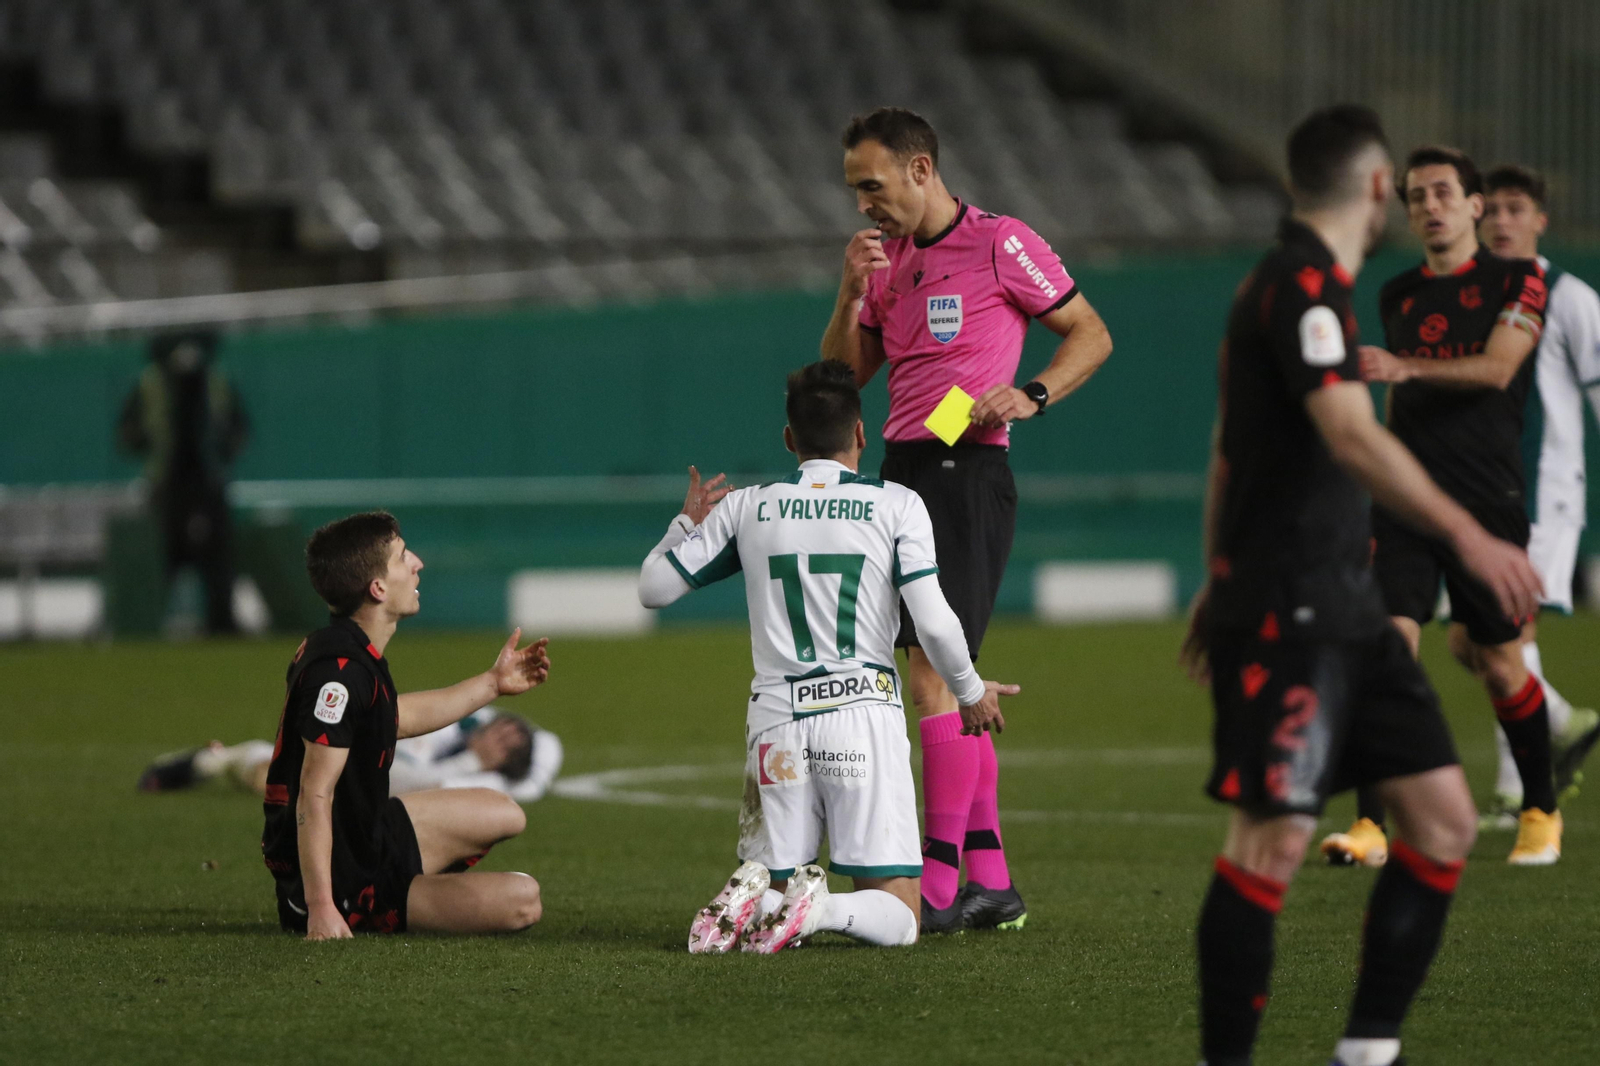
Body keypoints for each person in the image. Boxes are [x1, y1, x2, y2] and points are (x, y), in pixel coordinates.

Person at [1182, 105, 1542, 1066]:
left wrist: (1210, 580)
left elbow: (1228, 455)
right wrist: (1468, 532)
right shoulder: (1299, 285)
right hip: (1293, 606)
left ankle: (1367, 1052)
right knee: (1273, 842)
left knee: (1444, 821)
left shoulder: (1317, 288)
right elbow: (1348, 431)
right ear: (1380, 186)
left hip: (1347, 600)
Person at [819, 106, 1112, 932]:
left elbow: (1091, 333)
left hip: (967, 472)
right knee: (948, 675)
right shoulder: (882, 265)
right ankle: (993, 881)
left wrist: (1034, 393)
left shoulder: (999, 242)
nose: (863, 205)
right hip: (902, 472)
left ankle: (939, 887)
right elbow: (841, 384)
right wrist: (848, 293)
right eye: (853, 191)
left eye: (871, 186)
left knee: (930, 676)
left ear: (920, 171)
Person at [638, 361, 1018, 954]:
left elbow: (654, 589)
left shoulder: (748, 507)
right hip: (860, 717)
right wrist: (969, 692)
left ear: (789, 439)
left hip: (776, 725)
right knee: (901, 913)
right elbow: (937, 622)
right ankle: (820, 911)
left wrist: (685, 522)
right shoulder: (898, 505)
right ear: (862, 434)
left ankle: (761, 901)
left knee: (775, 878)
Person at [1325, 146, 1562, 867]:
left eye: (1441, 194)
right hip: (1405, 501)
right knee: (1383, 654)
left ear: (1474, 205)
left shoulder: (1520, 280)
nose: (1428, 206)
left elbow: (1498, 370)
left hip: (1487, 500)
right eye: (1416, 197)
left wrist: (1405, 366)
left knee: (1498, 662)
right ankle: (1371, 828)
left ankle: (1541, 810)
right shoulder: (1398, 293)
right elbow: (1397, 401)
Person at [260, 511, 552, 939]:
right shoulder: (338, 676)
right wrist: (322, 908)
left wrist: (493, 683)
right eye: (401, 558)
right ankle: (387, 901)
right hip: (344, 877)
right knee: (524, 900)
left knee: (505, 813)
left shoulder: (351, 648)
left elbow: (398, 717)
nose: (417, 563)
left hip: (366, 835)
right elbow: (314, 794)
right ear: (377, 588)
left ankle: (412, 888)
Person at [1475, 164, 1600, 828]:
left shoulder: (1567, 295)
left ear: (1539, 220)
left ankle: (1518, 788)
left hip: (1546, 490)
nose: (1500, 221)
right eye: (1490, 209)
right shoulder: (1469, 294)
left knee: (1511, 629)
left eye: (1515, 209)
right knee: (1473, 642)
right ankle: (1558, 722)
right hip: (1477, 490)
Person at [137, 707, 564, 803]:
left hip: (355, 782)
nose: (499, 737)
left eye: (507, 746)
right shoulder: (468, 722)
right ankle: (218, 760)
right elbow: (548, 744)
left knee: (274, 771)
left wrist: (473, 761)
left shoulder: (485, 782)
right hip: (352, 753)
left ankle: (216, 761)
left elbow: (403, 780)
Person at [117, 330, 249, 634]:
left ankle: (221, 623)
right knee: (163, 557)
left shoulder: (216, 381)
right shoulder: (150, 384)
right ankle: (145, 624)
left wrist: (223, 449)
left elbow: (238, 426)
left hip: (207, 481)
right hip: (168, 483)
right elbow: (128, 430)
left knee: (217, 556)